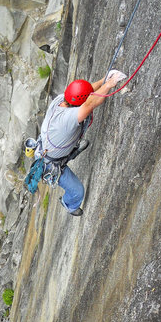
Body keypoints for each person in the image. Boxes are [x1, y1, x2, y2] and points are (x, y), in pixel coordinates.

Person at [36, 70, 127, 216]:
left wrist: (104, 79)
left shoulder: (62, 99)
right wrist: (110, 83)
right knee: (78, 191)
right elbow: (91, 103)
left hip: (48, 149)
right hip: (50, 163)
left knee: (69, 148)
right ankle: (69, 205)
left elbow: (85, 93)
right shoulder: (67, 120)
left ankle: (72, 151)